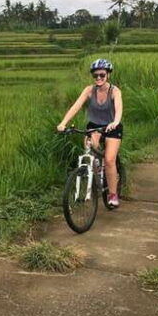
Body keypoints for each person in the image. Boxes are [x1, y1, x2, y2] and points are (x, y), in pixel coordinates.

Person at [57, 58, 124, 208]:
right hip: (94, 126)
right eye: (95, 76)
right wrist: (63, 123)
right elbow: (76, 106)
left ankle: (112, 194)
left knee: (109, 160)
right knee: (90, 151)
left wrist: (115, 122)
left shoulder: (115, 91)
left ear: (108, 74)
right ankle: (97, 170)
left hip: (112, 127)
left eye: (102, 75)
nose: (99, 78)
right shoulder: (89, 90)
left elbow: (119, 108)